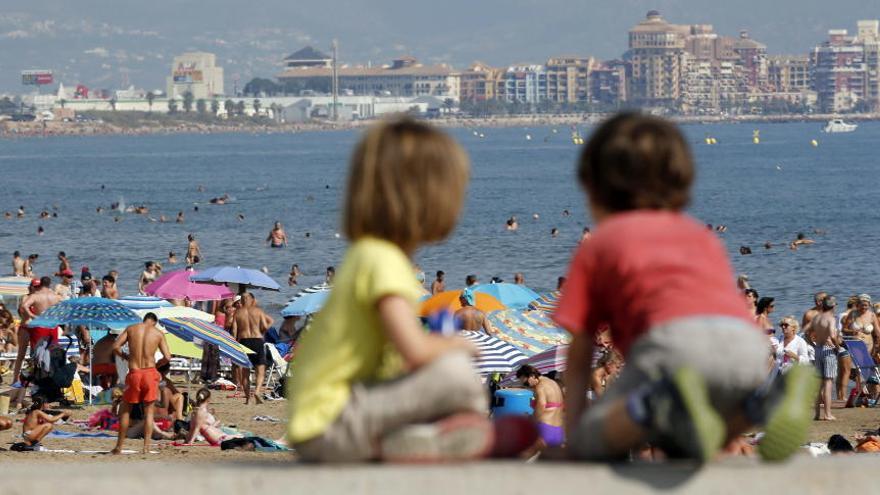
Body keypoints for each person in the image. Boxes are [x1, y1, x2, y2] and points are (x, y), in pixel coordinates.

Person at [554, 113, 817, 463]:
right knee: (706, 416)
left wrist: (575, 434)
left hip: (670, 348)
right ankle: (763, 404)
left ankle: (658, 405)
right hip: (744, 349)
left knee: (598, 431)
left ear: (593, 187)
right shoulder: (699, 236)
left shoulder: (599, 245)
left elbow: (580, 348)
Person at [287, 118, 493, 463]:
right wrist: (458, 342)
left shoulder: (366, 254)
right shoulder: (385, 261)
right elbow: (414, 349)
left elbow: (391, 362)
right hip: (330, 426)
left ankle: (411, 441)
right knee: (457, 372)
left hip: (321, 424)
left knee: (441, 374)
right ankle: (432, 440)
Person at [111, 313, 171, 454]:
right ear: (154, 322)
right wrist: (157, 364)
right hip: (150, 372)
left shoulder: (132, 328)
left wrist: (125, 356)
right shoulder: (158, 333)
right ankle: (146, 447)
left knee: (126, 410)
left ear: (144, 320)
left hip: (135, 372)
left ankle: (119, 446)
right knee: (149, 412)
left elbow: (115, 346)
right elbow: (167, 357)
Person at [13, 276, 61, 388]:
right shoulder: (26, 297)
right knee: (22, 354)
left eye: (37, 286)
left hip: (38, 327)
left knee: (43, 353)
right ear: (30, 287)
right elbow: (22, 309)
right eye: (34, 286)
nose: (35, 288)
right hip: (26, 327)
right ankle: (15, 379)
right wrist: (32, 316)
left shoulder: (37, 297)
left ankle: (36, 378)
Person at [232, 292, 273, 404]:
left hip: (243, 341)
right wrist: (261, 332)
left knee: (245, 371)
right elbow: (266, 325)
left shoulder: (237, 313)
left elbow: (234, 331)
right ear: (251, 300)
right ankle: (257, 391)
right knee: (260, 369)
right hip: (257, 340)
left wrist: (235, 344)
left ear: (243, 300)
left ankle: (247, 398)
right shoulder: (258, 311)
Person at [804, 296, 840, 421]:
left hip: (818, 349)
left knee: (819, 383)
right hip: (827, 350)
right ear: (833, 306)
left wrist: (812, 344)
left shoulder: (816, 317)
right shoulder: (831, 318)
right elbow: (832, 333)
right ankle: (828, 414)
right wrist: (837, 346)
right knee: (828, 382)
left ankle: (817, 414)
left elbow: (805, 332)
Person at [517, 364, 565, 454]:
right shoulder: (553, 383)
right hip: (558, 429)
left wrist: (531, 420)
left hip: (545, 428)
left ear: (532, 376)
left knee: (526, 453)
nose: (527, 386)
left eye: (526, 383)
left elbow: (541, 406)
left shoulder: (540, 387)